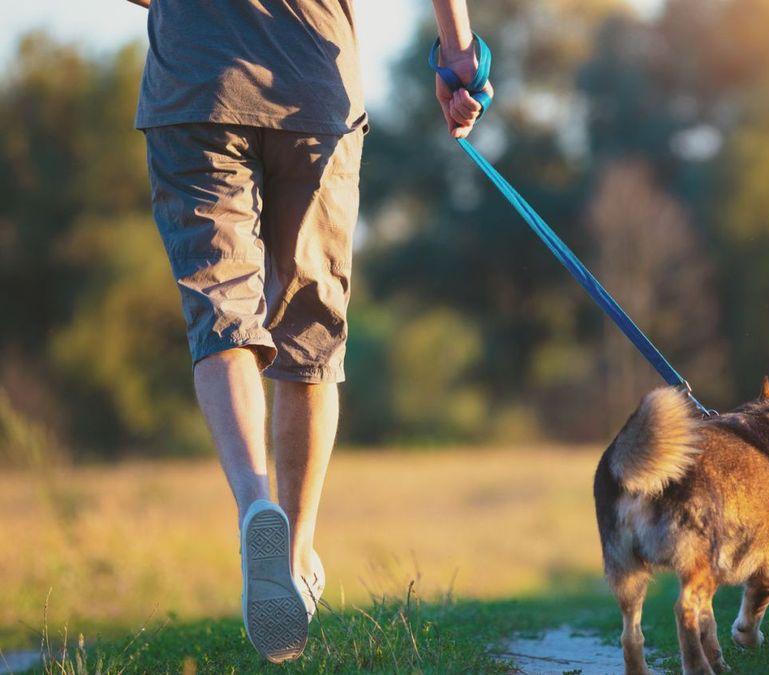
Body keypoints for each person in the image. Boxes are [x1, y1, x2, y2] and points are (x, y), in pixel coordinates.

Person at [126, 0, 494, 662]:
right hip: (314, 85)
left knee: (222, 309)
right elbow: (455, 43)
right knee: (310, 326)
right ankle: (293, 554)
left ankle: (254, 506)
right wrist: (459, 55)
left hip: (196, 83)